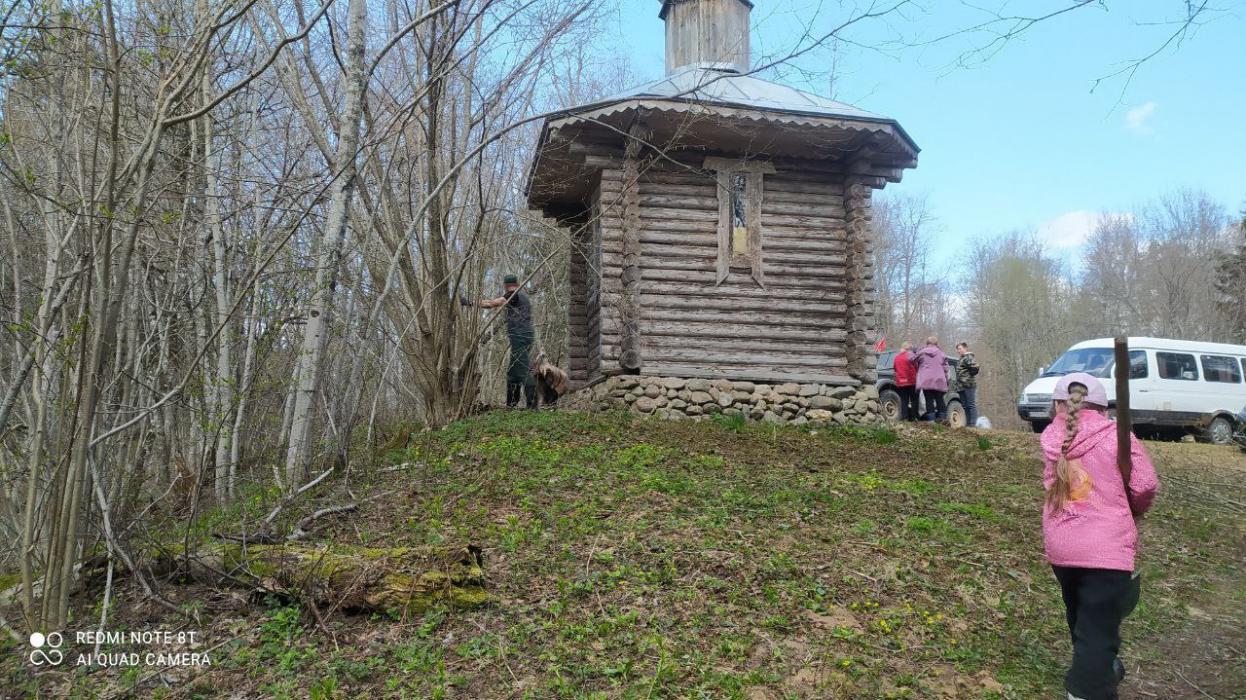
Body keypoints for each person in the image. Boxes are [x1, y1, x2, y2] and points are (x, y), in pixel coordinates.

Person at [1041, 373, 1159, 700]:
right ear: (1102, 406)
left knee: (1081, 617)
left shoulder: (1052, 438)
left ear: (1057, 405)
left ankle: (1102, 670)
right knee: (1098, 630)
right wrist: (1133, 506)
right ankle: (1085, 691)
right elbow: (1146, 485)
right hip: (1106, 549)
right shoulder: (1117, 437)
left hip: (1063, 547)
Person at [464, 274, 536, 409]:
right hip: (523, 337)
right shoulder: (522, 297)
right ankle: (511, 406)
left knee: (523, 370)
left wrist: (469, 302)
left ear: (505, 285)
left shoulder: (512, 295)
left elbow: (491, 304)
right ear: (518, 283)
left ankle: (533, 406)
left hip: (520, 337)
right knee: (513, 372)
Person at [913, 336, 948, 422]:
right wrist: (946, 380)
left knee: (929, 400)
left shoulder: (922, 352)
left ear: (927, 343)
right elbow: (946, 369)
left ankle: (931, 420)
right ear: (937, 344)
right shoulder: (942, 353)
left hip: (926, 380)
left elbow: (912, 359)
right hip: (939, 380)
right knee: (940, 399)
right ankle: (942, 419)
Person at [955, 342, 981, 428]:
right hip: (960, 386)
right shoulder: (961, 359)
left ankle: (973, 424)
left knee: (970, 405)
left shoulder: (968, 357)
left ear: (965, 348)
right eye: (957, 349)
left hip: (968, 385)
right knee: (965, 406)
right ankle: (968, 424)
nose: (958, 351)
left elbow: (976, 367)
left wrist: (968, 377)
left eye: (960, 348)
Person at [893, 342, 919, 421]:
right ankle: (914, 417)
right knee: (914, 400)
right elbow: (917, 367)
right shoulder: (911, 356)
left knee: (904, 400)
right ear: (909, 348)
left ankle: (905, 418)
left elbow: (894, 368)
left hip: (901, 381)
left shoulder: (896, 357)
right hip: (912, 381)